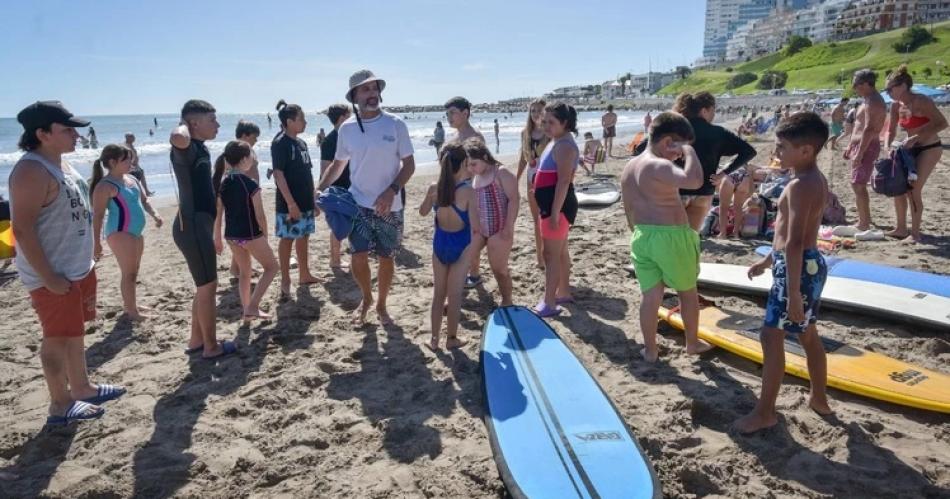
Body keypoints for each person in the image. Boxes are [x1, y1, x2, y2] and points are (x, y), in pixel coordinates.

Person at [10, 101, 125, 425]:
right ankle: (60, 405)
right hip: (54, 275)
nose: (77, 135)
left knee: (74, 333)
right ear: (43, 134)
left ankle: (83, 387)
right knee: (56, 337)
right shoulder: (31, 170)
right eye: (68, 129)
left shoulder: (61, 164)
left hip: (76, 268)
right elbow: (22, 228)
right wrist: (47, 277)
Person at [736, 112, 832, 433]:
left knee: (770, 335)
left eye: (782, 147)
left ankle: (765, 412)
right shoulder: (814, 179)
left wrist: (791, 293)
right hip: (809, 265)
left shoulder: (798, 186)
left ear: (806, 150)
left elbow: (793, 242)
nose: (777, 153)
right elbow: (792, 234)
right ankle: (819, 398)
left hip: (797, 269)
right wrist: (766, 262)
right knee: (808, 334)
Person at [318, 69, 415, 325]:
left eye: (374, 89)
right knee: (358, 256)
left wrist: (391, 190)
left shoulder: (395, 124)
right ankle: (367, 298)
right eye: (365, 90)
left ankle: (381, 304)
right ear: (354, 96)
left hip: (390, 205)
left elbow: (409, 166)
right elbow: (338, 165)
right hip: (358, 203)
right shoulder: (347, 129)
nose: (372, 94)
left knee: (386, 257)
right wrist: (318, 190)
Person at [620, 112, 713, 363]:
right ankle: (692, 343)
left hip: (642, 236)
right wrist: (691, 152)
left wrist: (637, 232)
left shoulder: (630, 166)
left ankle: (650, 350)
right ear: (667, 142)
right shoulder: (659, 165)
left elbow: (628, 207)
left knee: (651, 296)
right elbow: (694, 180)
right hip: (671, 237)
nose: (679, 156)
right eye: (678, 149)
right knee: (687, 292)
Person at [170, 99, 235, 359]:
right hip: (193, 226)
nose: (217, 124)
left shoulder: (200, 147)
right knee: (208, 287)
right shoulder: (185, 148)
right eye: (212, 120)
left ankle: (197, 340)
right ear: (194, 123)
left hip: (198, 224)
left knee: (204, 286)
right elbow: (177, 136)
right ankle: (211, 347)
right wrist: (183, 125)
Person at [90, 144, 163, 321]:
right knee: (128, 273)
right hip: (120, 232)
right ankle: (132, 311)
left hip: (136, 232)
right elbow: (98, 216)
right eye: (126, 159)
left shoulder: (131, 179)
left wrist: (155, 214)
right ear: (112, 162)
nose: (131, 161)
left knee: (134, 271)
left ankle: (131, 305)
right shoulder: (105, 186)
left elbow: (144, 201)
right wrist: (97, 243)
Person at [212, 140, 278, 322]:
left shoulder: (224, 183)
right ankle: (253, 307)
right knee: (272, 267)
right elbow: (260, 215)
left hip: (232, 236)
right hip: (249, 235)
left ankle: (247, 313)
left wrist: (216, 237)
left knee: (245, 273)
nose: (253, 159)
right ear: (243, 159)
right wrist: (264, 234)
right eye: (251, 155)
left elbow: (218, 215)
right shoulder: (249, 183)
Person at [883, 65, 948, 244]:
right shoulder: (896, 105)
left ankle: (915, 234)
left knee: (913, 190)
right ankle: (901, 228)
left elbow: (942, 123)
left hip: (929, 147)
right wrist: (888, 146)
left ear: (903, 85)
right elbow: (890, 129)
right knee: (898, 187)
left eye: (890, 89)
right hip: (908, 149)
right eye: (886, 90)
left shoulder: (921, 101)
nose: (888, 93)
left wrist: (918, 137)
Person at [674, 92, 757, 232]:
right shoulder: (718, 133)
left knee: (672, 236)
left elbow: (643, 148)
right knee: (691, 237)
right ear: (704, 110)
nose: (714, 115)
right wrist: (723, 173)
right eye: (713, 110)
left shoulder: (675, 129)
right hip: (704, 190)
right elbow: (749, 151)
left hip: (676, 189)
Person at [427, 142, 477, 351]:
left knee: (439, 293)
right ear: (464, 163)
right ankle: (452, 339)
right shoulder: (468, 192)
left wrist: (431, 199)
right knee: (454, 295)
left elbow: (422, 212)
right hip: (461, 244)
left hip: (440, 243)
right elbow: (476, 226)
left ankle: (434, 340)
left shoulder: (434, 188)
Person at [533, 102, 580, 317]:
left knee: (550, 254)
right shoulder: (558, 141)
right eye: (544, 121)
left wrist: (554, 213)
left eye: (551, 122)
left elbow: (563, 182)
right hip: (553, 205)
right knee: (559, 252)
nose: (546, 126)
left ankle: (549, 302)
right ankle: (563, 292)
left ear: (565, 123)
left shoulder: (565, 146)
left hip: (557, 207)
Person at [271, 99, 321, 297]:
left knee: (304, 236)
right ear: (290, 121)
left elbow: (307, 174)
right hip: (289, 203)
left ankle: (304, 273)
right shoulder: (280, 143)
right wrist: (291, 203)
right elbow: (278, 174)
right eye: (301, 119)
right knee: (288, 238)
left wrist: (313, 201)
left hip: (305, 200)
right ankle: (285, 279)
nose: (305, 122)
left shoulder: (301, 143)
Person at [466, 138, 519, 306]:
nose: (470, 169)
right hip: (481, 230)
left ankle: (507, 300)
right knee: (463, 257)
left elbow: (514, 200)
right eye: (468, 165)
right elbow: (475, 205)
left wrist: (508, 227)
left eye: (473, 164)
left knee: (499, 269)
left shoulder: (501, 173)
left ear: (484, 157)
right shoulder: (476, 176)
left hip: (500, 228)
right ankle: (454, 295)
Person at [444, 96, 487, 288]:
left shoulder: (475, 137)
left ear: (465, 113)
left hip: (472, 191)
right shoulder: (453, 137)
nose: (449, 117)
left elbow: (482, 167)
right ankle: (464, 271)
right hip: (455, 191)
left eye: (452, 113)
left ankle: (475, 273)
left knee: (472, 234)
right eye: (447, 114)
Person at [844, 69, 886, 232]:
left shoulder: (874, 101)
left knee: (858, 184)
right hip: (861, 145)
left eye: (857, 85)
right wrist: (850, 145)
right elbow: (859, 126)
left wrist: (860, 152)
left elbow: (869, 129)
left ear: (867, 84)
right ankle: (864, 219)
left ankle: (864, 223)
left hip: (867, 146)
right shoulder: (868, 99)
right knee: (857, 184)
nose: (855, 88)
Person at [516, 99, 550, 269]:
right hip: (531, 178)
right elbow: (523, 158)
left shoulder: (550, 132)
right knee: (537, 219)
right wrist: (516, 179)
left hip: (548, 178)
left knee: (548, 217)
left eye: (539, 110)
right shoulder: (525, 133)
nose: (536, 114)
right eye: (533, 111)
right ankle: (540, 257)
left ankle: (550, 252)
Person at [320, 104, 353, 270]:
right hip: (337, 188)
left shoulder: (350, 135)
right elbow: (325, 167)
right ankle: (335, 260)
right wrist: (322, 190)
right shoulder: (330, 140)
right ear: (342, 117)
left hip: (353, 185)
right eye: (350, 115)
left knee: (352, 223)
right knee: (337, 225)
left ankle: (346, 258)